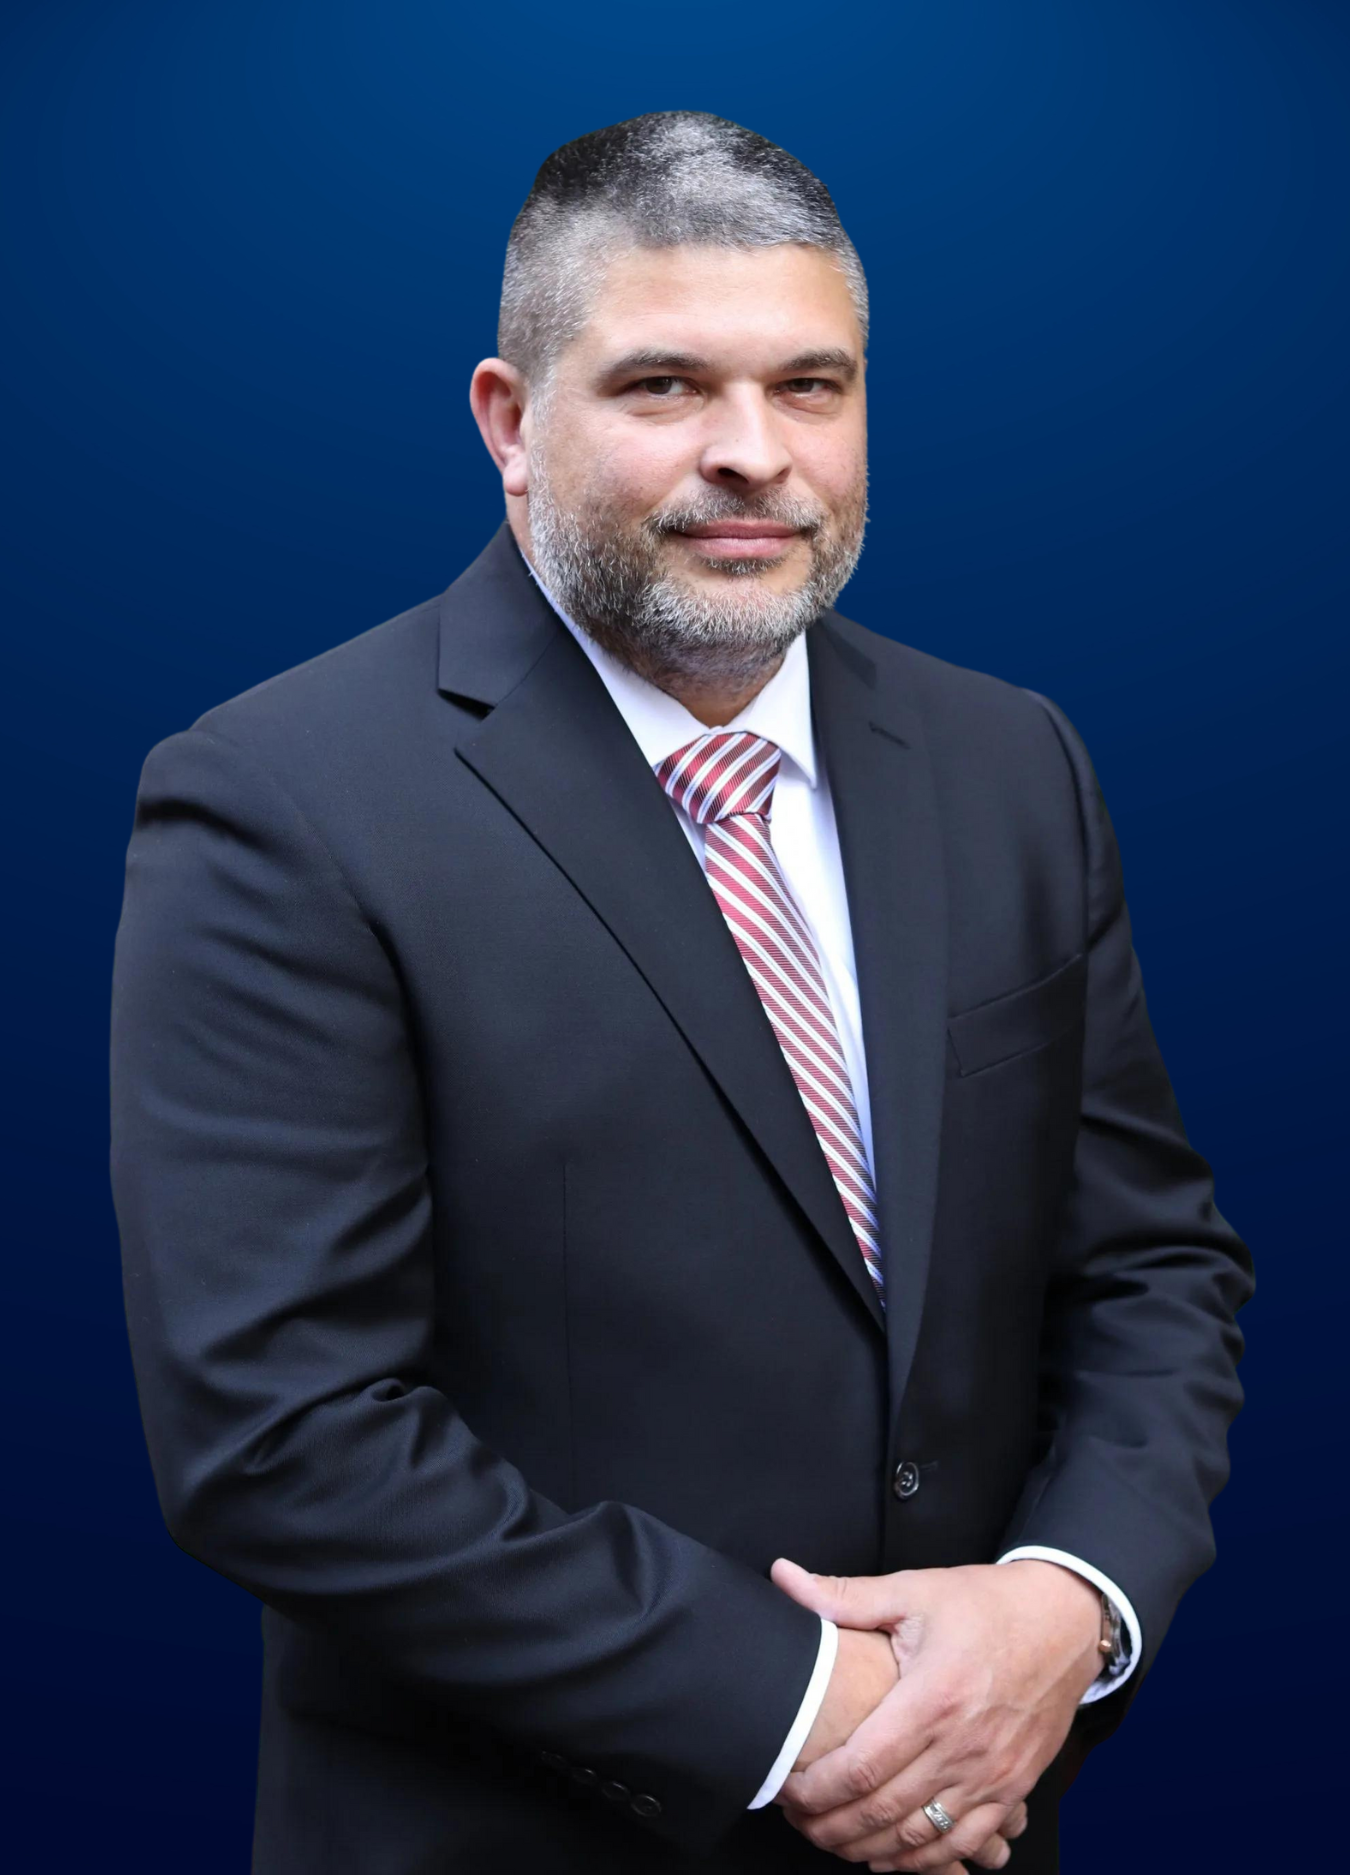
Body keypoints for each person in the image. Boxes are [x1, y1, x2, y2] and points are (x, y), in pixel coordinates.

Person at [110, 112, 1253, 1875]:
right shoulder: (280, 800)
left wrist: (1062, 1599)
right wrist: (810, 1704)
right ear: (508, 420)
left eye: (810, 386)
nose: (753, 453)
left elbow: (1151, 1267)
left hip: (977, 1819)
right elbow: (280, 1435)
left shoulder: (1008, 759)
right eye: (664, 386)